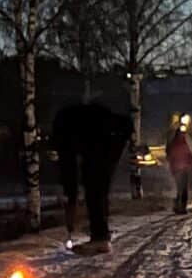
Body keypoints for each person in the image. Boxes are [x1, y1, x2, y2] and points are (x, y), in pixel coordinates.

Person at [47, 98, 134, 248]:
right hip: (109, 139)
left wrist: (71, 199)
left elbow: (69, 172)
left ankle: (100, 238)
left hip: (106, 141)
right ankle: (101, 235)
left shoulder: (64, 132)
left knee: (95, 190)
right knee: (98, 189)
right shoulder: (67, 122)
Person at [165, 120, 192, 214]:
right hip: (181, 169)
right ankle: (180, 206)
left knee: (181, 188)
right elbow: (191, 155)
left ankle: (179, 205)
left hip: (180, 168)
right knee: (182, 188)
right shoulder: (184, 143)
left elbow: (171, 156)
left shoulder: (176, 143)